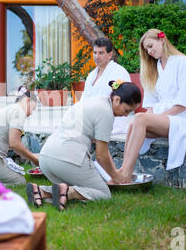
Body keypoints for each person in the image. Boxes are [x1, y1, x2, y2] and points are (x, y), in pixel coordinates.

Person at [26, 81, 141, 211]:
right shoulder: (106, 113)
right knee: (104, 193)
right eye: (127, 110)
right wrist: (115, 176)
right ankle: (70, 193)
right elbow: (101, 155)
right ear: (117, 99)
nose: (126, 115)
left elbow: (101, 149)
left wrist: (113, 172)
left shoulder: (94, 101)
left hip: (46, 158)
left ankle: (41, 191)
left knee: (83, 187)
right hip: (66, 159)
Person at [118, 29, 186, 182]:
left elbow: (185, 103)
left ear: (162, 40)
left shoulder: (183, 62)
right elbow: (151, 105)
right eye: (146, 49)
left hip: (183, 118)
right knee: (133, 123)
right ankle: (122, 170)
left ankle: (125, 174)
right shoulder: (154, 68)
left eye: (150, 45)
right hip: (164, 119)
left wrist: (158, 117)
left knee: (140, 118)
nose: (149, 51)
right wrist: (153, 116)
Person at [81, 37, 132, 134]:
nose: (97, 56)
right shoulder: (91, 75)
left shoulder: (119, 72)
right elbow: (84, 100)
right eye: (95, 53)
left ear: (110, 54)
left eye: (101, 53)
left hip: (112, 121)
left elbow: (123, 101)